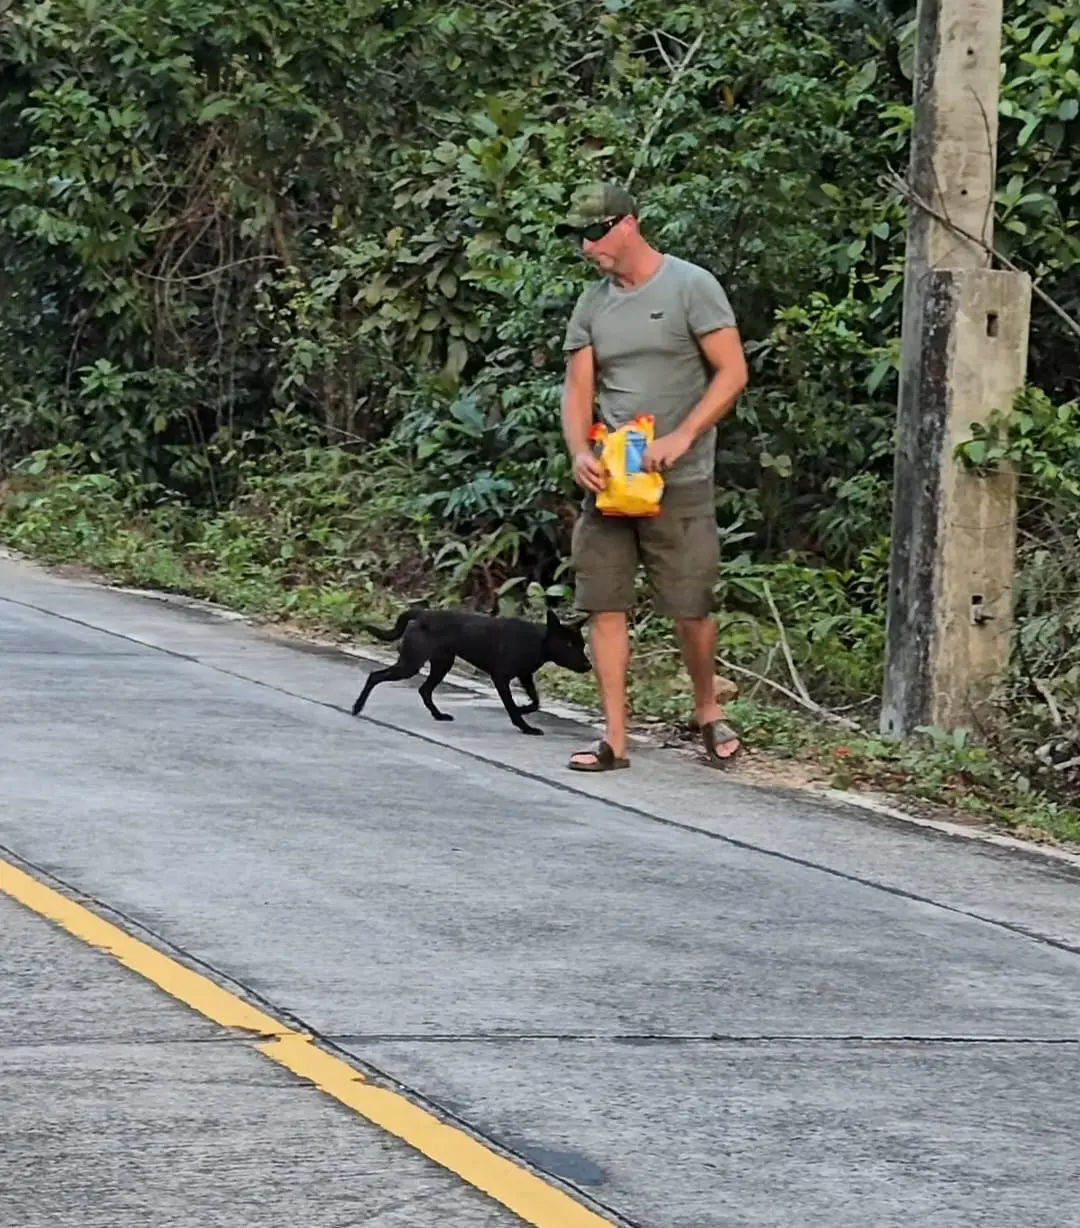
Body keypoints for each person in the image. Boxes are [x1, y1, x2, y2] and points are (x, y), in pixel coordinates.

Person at [556, 182, 748, 773]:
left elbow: (732, 372)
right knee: (604, 603)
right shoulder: (592, 304)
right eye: (580, 237)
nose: (588, 248)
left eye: (596, 233)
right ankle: (615, 736)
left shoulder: (691, 286)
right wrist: (577, 451)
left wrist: (684, 434)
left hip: (680, 478)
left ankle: (707, 708)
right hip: (612, 483)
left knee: (690, 604)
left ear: (629, 224)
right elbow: (578, 388)